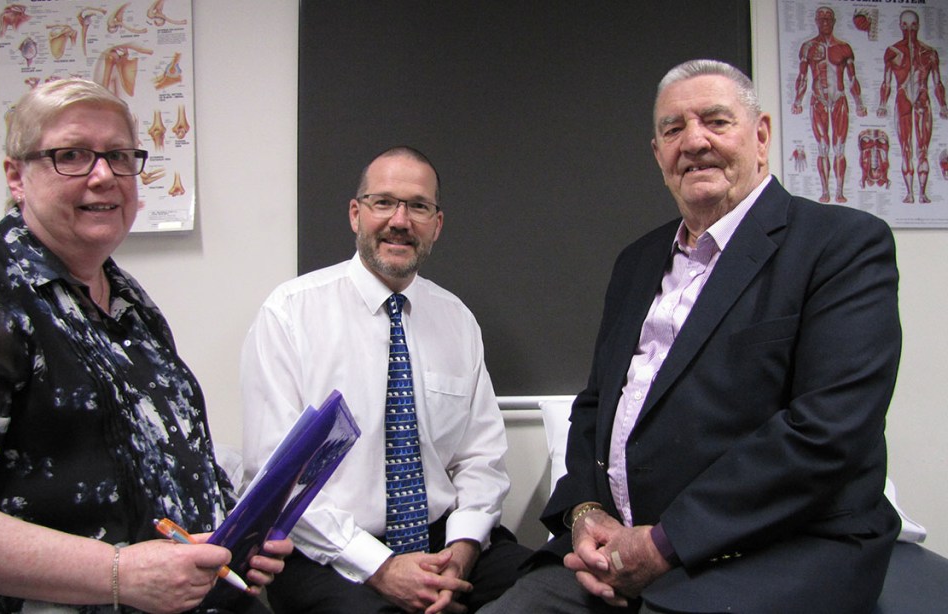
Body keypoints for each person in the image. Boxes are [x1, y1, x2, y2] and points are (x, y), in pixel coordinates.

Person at [480, 59, 901, 614]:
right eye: (673, 129)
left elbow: (828, 430)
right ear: (658, 154)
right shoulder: (636, 262)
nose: (694, 141)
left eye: (716, 121)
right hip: (618, 551)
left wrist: (663, 541)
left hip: (775, 549)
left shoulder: (841, 245)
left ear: (762, 136)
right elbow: (595, 407)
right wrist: (584, 513)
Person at [0, 78, 291, 613]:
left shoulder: (125, 298)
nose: (104, 177)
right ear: (15, 177)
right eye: (71, 155)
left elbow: (162, 454)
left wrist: (232, 534)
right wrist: (119, 573)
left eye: (119, 156)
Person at [240, 146, 531, 614]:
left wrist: (463, 549)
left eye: (418, 206)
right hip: (331, 549)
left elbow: (482, 458)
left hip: (444, 539)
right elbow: (272, 475)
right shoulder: (291, 313)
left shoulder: (457, 320)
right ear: (356, 214)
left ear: (436, 224)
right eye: (383, 203)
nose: (400, 220)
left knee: (551, 588)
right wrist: (380, 567)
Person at [791, 5, 867, 204]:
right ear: (816, 21)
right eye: (821, 18)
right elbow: (802, 77)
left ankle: (839, 191)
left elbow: (852, 79)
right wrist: (797, 100)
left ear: (834, 21)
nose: (824, 21)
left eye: (828, 18)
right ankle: (825, 191)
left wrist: (859, 103)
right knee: (823, 146)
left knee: (839, 147)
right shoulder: (808, 47)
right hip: (819, 101)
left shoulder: (844, 48)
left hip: (839, 99)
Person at [876, 9, 948, 204]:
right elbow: (887, 82)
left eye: (913, 25)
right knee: (906, 148)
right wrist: (882, 104)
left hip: (923, 100)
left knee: (922, 149)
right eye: (905, 25)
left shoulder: (929, 53)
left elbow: (937, 82)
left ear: (918, 26)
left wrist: (943, 105)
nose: (909, 29)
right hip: (902, 100)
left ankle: (922, 193)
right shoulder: (892, 52)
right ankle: (909, 193)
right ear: (900, 26)